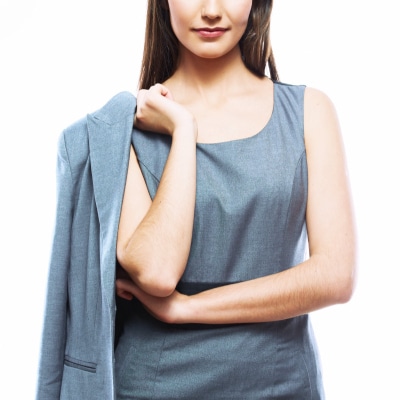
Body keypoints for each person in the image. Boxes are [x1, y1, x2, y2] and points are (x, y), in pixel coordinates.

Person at [37, 0, 357, 399]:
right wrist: (183, 130)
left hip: (283, 384)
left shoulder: (310, 111)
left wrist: (188, 309)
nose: (210, 10)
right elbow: (157, 271)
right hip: (154, 386)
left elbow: (335, 277)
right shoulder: (121, 132)